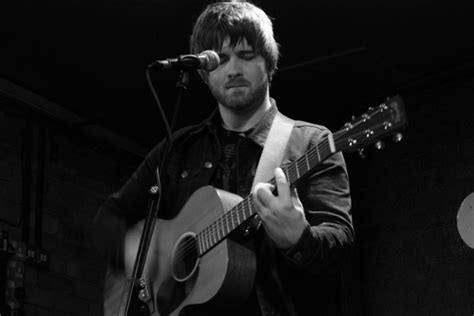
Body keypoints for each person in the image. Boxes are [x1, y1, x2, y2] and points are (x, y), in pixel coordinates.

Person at [93, 1, 354, 315]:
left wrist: (299, 239)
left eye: (246, 56)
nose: (233, 69)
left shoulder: (311, 142)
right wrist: (138, 251)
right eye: (220, 59)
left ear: (269, 63)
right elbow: (107, 220)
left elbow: (340, 239)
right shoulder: (177, 150)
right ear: (203, 72)